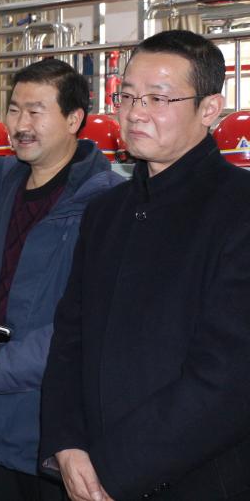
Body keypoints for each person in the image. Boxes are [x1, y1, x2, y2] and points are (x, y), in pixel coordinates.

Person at [41, 30, 250, 500]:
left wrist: (112, 471)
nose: (135, 113)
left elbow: (228, 380)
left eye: (158, 98)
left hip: (195, 479)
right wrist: (67, 443)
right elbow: (70, 338)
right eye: (128, 96)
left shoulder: (238, 211)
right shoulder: (106, 211)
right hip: (88, 469)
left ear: (210, 109)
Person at [0, 59, 123, 500]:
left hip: (54, 416)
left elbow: (92, 319)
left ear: (74, 119)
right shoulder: (8, 183)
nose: (21, 125)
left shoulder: (104, 202)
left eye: (36, 111)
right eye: (14, 109)